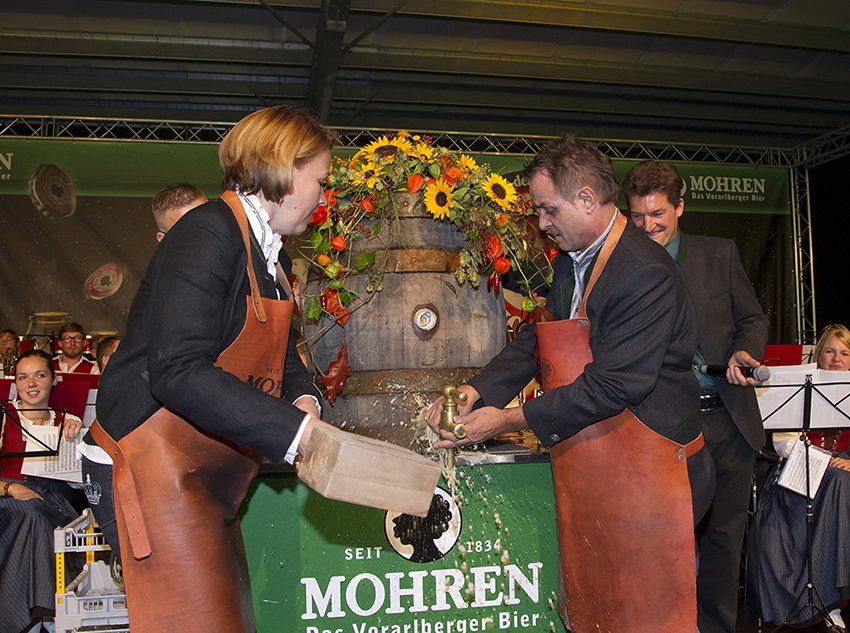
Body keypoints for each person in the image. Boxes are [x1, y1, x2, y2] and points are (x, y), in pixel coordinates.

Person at [428, 134, 714, 632]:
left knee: (649, 615)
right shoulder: (570, 259)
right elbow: (540, 339)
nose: (541, 223)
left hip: (656, 475)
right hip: (600, 464)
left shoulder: (644, 273)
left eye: (548, 209)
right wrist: (476, 391)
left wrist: (507, 420)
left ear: (585, 199)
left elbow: (612, 387)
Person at [87, 105, 337, 633]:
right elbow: (176, 369)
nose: (323, 196)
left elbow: (281, 353)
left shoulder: (271, 257)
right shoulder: (207, 233)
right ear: (284, 169)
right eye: (320, 180)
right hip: (147, 461)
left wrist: (304, 399)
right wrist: (294, 434)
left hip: (198, 471)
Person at [623, 160, 769, 633]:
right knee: (665, 546)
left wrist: (745, 350)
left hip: (728, 423)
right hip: (663, 430)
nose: (647, 227)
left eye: (658, 215)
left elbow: (752, 318)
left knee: (724, 546)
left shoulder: (720, 254)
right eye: (638, 216)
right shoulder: (621, 265)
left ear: (680, 208)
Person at [748, 324, 850, 632]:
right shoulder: (803, 387)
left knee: (840, 481)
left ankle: (831, 600)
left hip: (842, 473)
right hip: (801, 469)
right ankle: (828, 602)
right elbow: (784, 442)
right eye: (830, 351)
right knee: (837, 481)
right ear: (819, 355)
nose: (836, 359)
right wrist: (825, 461)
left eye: (844, 353)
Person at [1, 350, 84, 633]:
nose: (31, 384)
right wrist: (10, 487)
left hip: (53, 500)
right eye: (23, 377)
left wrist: (75, 443)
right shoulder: (3, 418)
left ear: (53, 379)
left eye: (40, 375)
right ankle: (44, 616)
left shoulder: (67, 422)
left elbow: (79, 484)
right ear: (15, 382)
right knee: (33, 513)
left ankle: (34, 617)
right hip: (7, 497)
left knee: (43, 515)